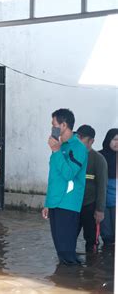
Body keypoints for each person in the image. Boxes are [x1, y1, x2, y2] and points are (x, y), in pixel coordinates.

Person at [42, 109, 88, 265]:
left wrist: (56, 151)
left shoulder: (78, 148)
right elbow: (54, 178)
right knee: (61, 250)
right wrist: (48, 203)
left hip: (68, 203)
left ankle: (71, 283)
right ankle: (65, 281)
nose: (52, 128)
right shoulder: (61, 146)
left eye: (54, 125)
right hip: (56, 202)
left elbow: (69, 174)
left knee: (67, 251)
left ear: (64, 125)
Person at [75, 125, 107, 252]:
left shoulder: (98, 159)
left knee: (91, 240)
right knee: (69, 237)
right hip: (74, 205)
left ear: (91, 141)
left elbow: (102, 186)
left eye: (82, 138)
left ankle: (92, 268)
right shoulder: (73, 155)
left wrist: (100, 210)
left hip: (90, 205)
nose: (78, 140)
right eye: (77, 136)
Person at [99, 128, 117, 246]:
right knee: (107, 234)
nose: (117, 143)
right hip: (103, 201)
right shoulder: (99, 156)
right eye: (115, 139)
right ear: (108, 140)